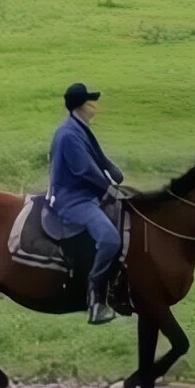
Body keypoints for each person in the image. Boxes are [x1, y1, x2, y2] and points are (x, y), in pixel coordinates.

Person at [45, 82, 125, 325]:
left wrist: (112, 169)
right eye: (92, 101)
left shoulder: (78, 128)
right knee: (111, 239)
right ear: (82, 105)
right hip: (73, 200)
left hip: (86, 195)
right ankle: (95, 298)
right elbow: (85, 170)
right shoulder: (68, 134)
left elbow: (97, 157)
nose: (96, 105)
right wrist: (110, 188)